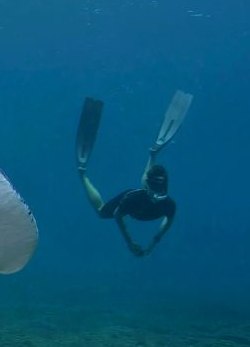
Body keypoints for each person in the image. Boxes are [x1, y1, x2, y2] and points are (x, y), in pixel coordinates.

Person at [76, 91, 192, 257]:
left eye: (159, 192)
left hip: (144, 198)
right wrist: (129, 242)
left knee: (146, 184)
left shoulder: (169, 205)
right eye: (154, 191)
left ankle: (153, 154)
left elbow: (166, 225)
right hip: (135, 200)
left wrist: (151, 245)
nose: (156, 196)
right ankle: (83, 175)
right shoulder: (132, 198)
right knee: (102, 212)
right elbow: (118, 217)